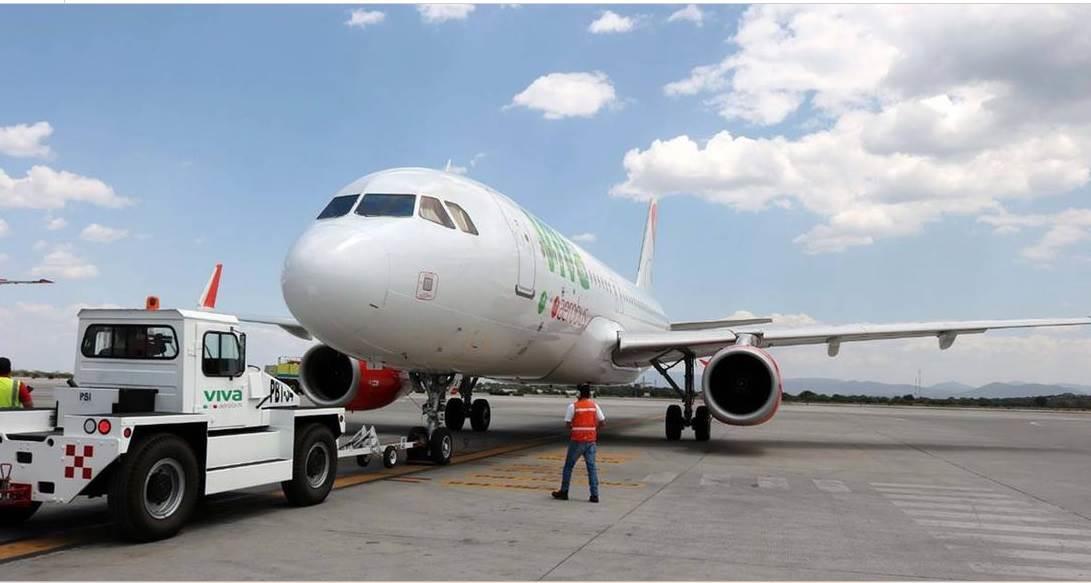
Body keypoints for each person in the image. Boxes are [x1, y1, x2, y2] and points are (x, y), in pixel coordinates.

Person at [552, 384, 605, 503]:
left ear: (578, 394)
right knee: (591, 468)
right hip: (591, 440)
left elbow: (567, 424)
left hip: (577, 440)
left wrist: (575, 428)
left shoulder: (573, 406)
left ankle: (564, 492)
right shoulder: (594, 406)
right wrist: (593, 429)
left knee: (568, 467)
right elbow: (602, 422)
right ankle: (594, 495)